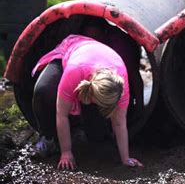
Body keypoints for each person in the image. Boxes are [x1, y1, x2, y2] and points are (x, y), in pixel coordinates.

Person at [31, 34, 143, 169]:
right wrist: (66, 152)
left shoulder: (120, 84)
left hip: (97, 58)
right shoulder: (74, 71)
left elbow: (119, 123)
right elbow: (62, 114)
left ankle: (82, 128)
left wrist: (126, 158)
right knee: (43, 91)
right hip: (71, 50)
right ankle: (48, 137)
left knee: (97, 133)